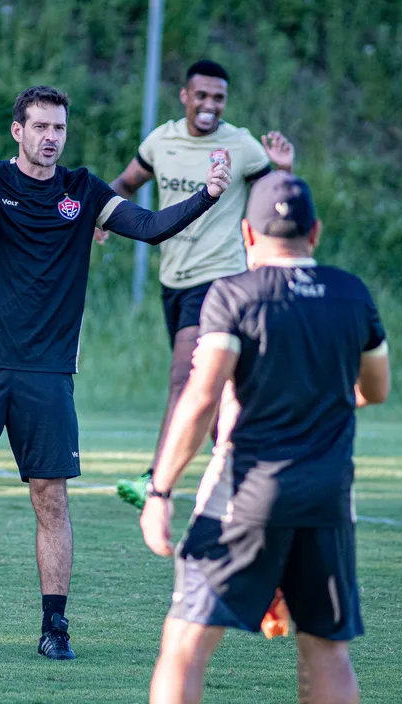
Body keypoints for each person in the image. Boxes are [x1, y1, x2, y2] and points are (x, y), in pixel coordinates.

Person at [0, 85, 233, 660]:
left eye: (58, 129)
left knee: (51, 498)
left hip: (47, 373)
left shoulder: (84, 191)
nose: (50, 138)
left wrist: (209, 195)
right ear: (17, 130)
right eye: (39, 127)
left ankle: (54, 626)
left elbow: (149, 225)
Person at [139, 171, 390, 704]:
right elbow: (376, 389)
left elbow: (202, 396)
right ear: (315, 232)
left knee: (184, 647)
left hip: (245, 495)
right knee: (328, 654)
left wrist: (160, 490)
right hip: (328, 499)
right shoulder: (352, 293)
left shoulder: (233, 293)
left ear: (248, 237)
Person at [100, 59, 295, 509]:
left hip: (221, 279)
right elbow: (126, 183)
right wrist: (100, 215)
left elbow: (279, 203)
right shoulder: (161, 141)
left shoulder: (242, 147)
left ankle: (156, 478)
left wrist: (284, 170)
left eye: (218, 98)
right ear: (185, 96)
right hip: (174, 279)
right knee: (214, 389)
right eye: (201, 96)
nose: (210, 105)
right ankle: (256, 467)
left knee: (183, 377)